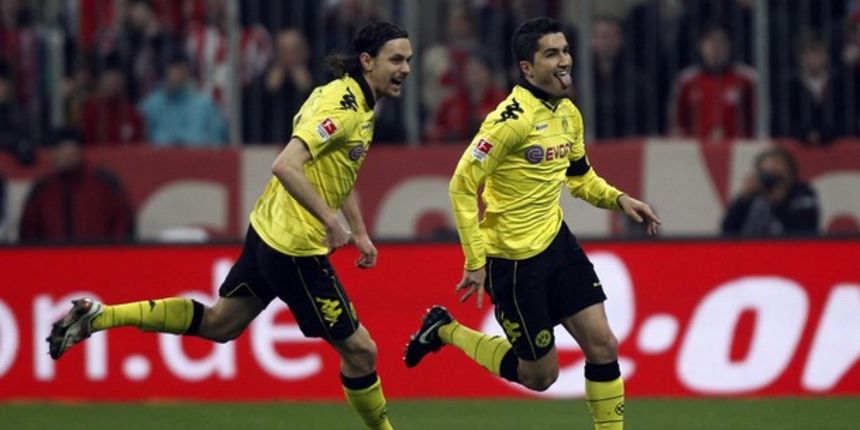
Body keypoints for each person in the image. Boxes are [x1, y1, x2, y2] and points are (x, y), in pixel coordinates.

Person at [47, 22, 413, 430]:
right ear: (367, 61)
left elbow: (338, 172)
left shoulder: (346, 97)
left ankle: (99, 317)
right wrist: (331, 221)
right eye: (396, 59)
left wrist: (359, 230)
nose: (406, 69)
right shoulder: (342, 110)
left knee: (222, 323)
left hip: (267, 230)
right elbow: (286, 165)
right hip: (295, 249)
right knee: (362, 352)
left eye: (409, 60)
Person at [404, 18, 660, 430]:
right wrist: (475, 261)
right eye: (551, 54)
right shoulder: (509, 121)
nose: (564, 61)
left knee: (603, 344)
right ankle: (446, 330)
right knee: (540, 376)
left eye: (565, 50)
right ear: (527, 68)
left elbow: (579, 178)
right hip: (514, 262)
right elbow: (461, 184)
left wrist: (619, 199)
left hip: (557, 245)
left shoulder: (569, 114)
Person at [19, 128, 134, 243]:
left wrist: (111, 254)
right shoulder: (43, 189)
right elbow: (28, 231)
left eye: (63, 150)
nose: (58, 156)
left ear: (78, 152)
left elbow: (123, 222)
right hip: (52, 258)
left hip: (98, 257)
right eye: (56, 151)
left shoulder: (104, 184)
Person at [668, 26, 756, 141]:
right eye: (710, 44)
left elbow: (756, 116)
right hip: (696, 148)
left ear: (729, 46)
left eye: (720, 44)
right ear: (701, 46)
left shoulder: (746, 79)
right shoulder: (687, 80)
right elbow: (677, 121)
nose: (715, 49)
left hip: (738, 147)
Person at [721, 147, 819, 237]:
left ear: (790, 171)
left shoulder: (802, 193)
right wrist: (743, 199)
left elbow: (807, 232)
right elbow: (727, 230)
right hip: (752, 249)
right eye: (768, 175)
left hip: (788, 250)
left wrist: (781, 204)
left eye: (778, 176)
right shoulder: (753, 195)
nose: (773, 182)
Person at [138, 51, 228, 147]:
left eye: (179, 68)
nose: (175, 73)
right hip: (159, 160)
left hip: (197, 159)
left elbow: (218, 141)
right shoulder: (150, 106)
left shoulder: (205, 106)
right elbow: (141, 142)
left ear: (187, 71)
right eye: (172, 68)